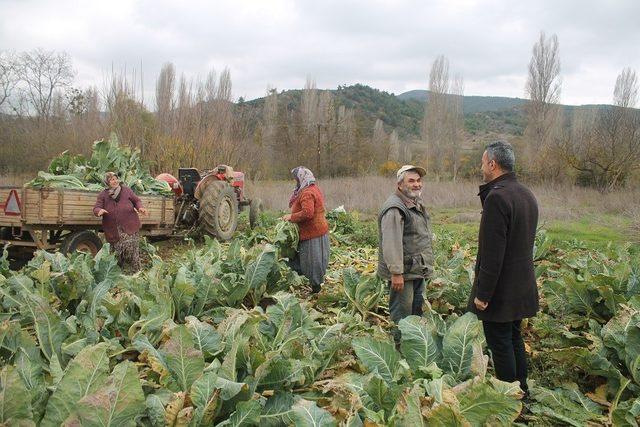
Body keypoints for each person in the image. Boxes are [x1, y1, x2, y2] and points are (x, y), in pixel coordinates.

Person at [468, 141, 539, 395]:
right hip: (521, 285)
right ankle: (522, 391)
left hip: (501, 290)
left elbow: (492, 253)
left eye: (482, 161)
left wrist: (483, 294)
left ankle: (511, 397)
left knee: (500, 344)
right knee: (513, 337)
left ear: (492, 164)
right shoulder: (526, 193)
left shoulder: (497, 197)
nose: (481, 166)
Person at [377, 165, 433, 342]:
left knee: (416, 310)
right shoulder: (395, 208)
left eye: (418, 180)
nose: (417, 184)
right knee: (402, 313)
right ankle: (400, 348)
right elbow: (391, 241)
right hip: (403, 273)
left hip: (416, 268)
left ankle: (413, 347)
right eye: (412, 181)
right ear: (400, 185)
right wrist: (396, 273)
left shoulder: (414, 203)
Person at [281, 166, 330, 293]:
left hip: (312, 233)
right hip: (319, 230)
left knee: (312, 261)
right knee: (313, 259)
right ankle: (308, 281)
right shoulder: (313, 188)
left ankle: (316, 288)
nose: (295, 181)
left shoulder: (307, 192)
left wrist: (291, 217)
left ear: (302, 178)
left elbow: (308, 213)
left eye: (296, 179)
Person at [93, 172, 147, 272]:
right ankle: (118, 272)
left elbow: (137, 201)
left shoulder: (126, 190)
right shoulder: (103, 194)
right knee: (117, 251)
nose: (115, 181)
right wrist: (99, 211)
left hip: (130, 225)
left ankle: (136, 272)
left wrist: (140, 208)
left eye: (115, 178)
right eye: (112, 179)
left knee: (132, 249)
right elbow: (96, 207)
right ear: (107, 182)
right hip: (113, 229)